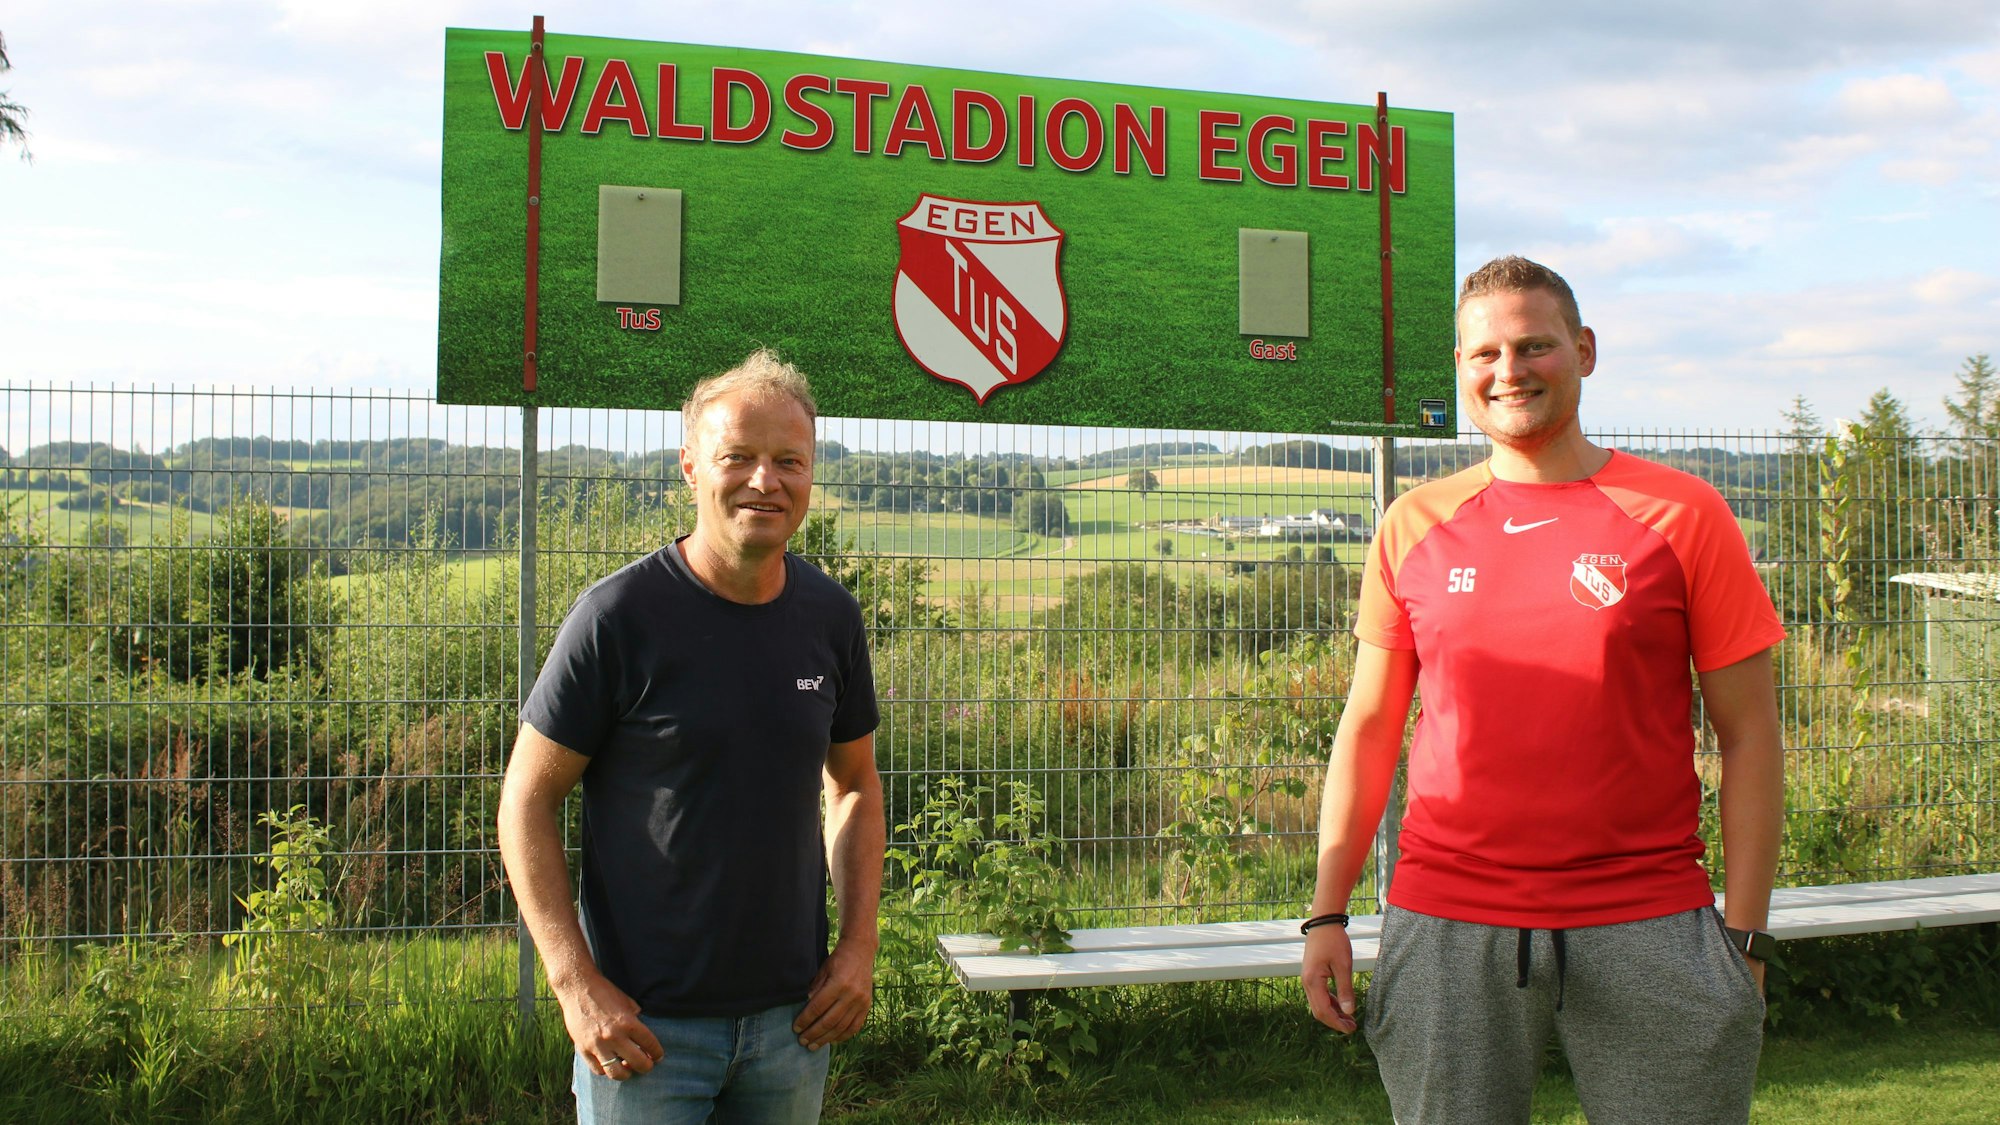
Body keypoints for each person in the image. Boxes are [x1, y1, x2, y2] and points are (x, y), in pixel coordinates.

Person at [1301, 257, 1786, 1123]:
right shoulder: (1413, 524)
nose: (1509, 370)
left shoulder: (1684, 514)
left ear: (1585, 350)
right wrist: (1325, 913)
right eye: (1485, 352)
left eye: (1535, 345)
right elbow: (1370, 725)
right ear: (1459, 369)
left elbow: (1749, 736)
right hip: (1449, 921)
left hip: (1652, 919)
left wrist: (1743, 937)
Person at [498, 349, 883, 1125]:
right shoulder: (617, 618)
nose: (764, 480)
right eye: (736, 457)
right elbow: (526, 802)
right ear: (690, 467)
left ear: (811, 473)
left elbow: (854, 784)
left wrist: (858, 947)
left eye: (788, 460)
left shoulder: (831, 619)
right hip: (644, 1030)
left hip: (792, 1026)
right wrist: (576, 987)